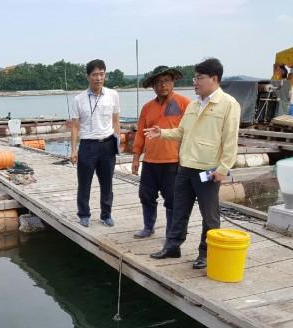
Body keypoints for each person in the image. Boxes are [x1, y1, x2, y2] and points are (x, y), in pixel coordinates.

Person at [144, 58, 241, 269]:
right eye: (194, 78)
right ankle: (172, 246)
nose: (195, 82)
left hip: (208, 169)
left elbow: (230, 140)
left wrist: (223, 168)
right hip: (185, 166)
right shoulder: (194, 104)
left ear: (214, 78)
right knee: (179, 210)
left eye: (199, 78)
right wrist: (162, 133)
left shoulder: (228, 104)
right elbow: (181, 131)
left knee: (209, 215)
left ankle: (206, 253)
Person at [132, 66, 191, 239]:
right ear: (153, 86)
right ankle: (148, 227)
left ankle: (171, 233)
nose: (163, 85)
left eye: (166, 81)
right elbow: (140, 134)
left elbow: (191, 132)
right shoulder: (147, 107)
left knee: (172, 199)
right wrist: (136, 158)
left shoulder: (185, 103)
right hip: (150, 161)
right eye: (158, 82)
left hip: (174, 161)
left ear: (173, 82)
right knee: (146, 196)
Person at [70, 59, 121, 228]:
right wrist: (73, 150)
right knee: (84, 183)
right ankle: (84, 214)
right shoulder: (79, 99)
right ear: (88, 76)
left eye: (101, 74)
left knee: (107, 183)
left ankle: (106, 214)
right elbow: (75, 126)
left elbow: (116, 120)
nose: (98, 78)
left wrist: (117, 142)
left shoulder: (113, 95)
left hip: (107, 144)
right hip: (87, 145)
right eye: (94, 74)